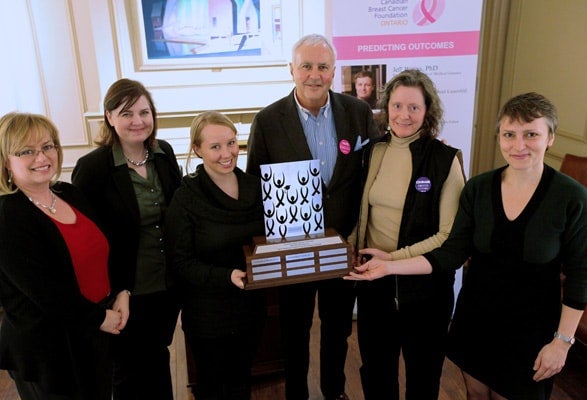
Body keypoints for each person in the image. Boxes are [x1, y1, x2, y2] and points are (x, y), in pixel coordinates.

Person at [346, 92, 587, 400]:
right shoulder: (478, 189)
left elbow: (581, 275)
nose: (518, 145)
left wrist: (562, 341)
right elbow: (449, 253)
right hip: (477, 320)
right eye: (509, 134)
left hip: (531, 330)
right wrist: (388, 266)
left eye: (531, 134)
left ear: (550, 138)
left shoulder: (572, 198)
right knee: (476, 394)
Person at [246, 33, 380, 400]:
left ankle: (334, 391)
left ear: (334, 71)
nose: (314, 74)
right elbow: (256, 185)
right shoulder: (268, 120)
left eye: (322, 66)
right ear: (291, 69)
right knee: (294, 329)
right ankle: (296, 394)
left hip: (345, 244)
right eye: (306, 66)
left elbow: (375, 167)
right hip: (294, 248)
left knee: (338, 329)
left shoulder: (358, 112)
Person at [347, 69, 465, 400]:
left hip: (425, 290)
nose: (404, 115)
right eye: (397, 106)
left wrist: (392, 259)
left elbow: (447, 235)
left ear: (428, 111)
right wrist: (352, 248)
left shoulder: (445, 160)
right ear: (387, 108)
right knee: (376, 372)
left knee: (422, 378)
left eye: (414, 107)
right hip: (374, 282)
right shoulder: (372, 152)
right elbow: (361, 211)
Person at [0, 112, 128, 400]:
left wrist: (122, 291)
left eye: (48, 146)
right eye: (26, 151)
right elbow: (44, 291)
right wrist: (99, 318)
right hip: (50, 349)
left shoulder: (69, 194)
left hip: (93, 333)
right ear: (6, 161)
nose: (42, 157)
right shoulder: (8, 215)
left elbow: (105, 249)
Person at [71, 78, 182, 400]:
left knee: (158, 354)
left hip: (166, 283)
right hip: (126, 289)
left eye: (144, 112)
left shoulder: (163, 153)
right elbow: (88, 240)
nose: (137, 121)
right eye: (126, 113)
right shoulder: (93, 168)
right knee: (128, 369)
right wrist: (118, 289)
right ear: (109, 117)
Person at [164, 111, 266, 399]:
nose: (226, 154)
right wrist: (226, 276)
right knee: (212, 386)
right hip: (208, 312)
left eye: (231, 143)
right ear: (197, 149)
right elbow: (180, 262)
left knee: (241, 380)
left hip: (251, 306)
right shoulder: (186, 197)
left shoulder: (255, 186)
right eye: (215, 146)